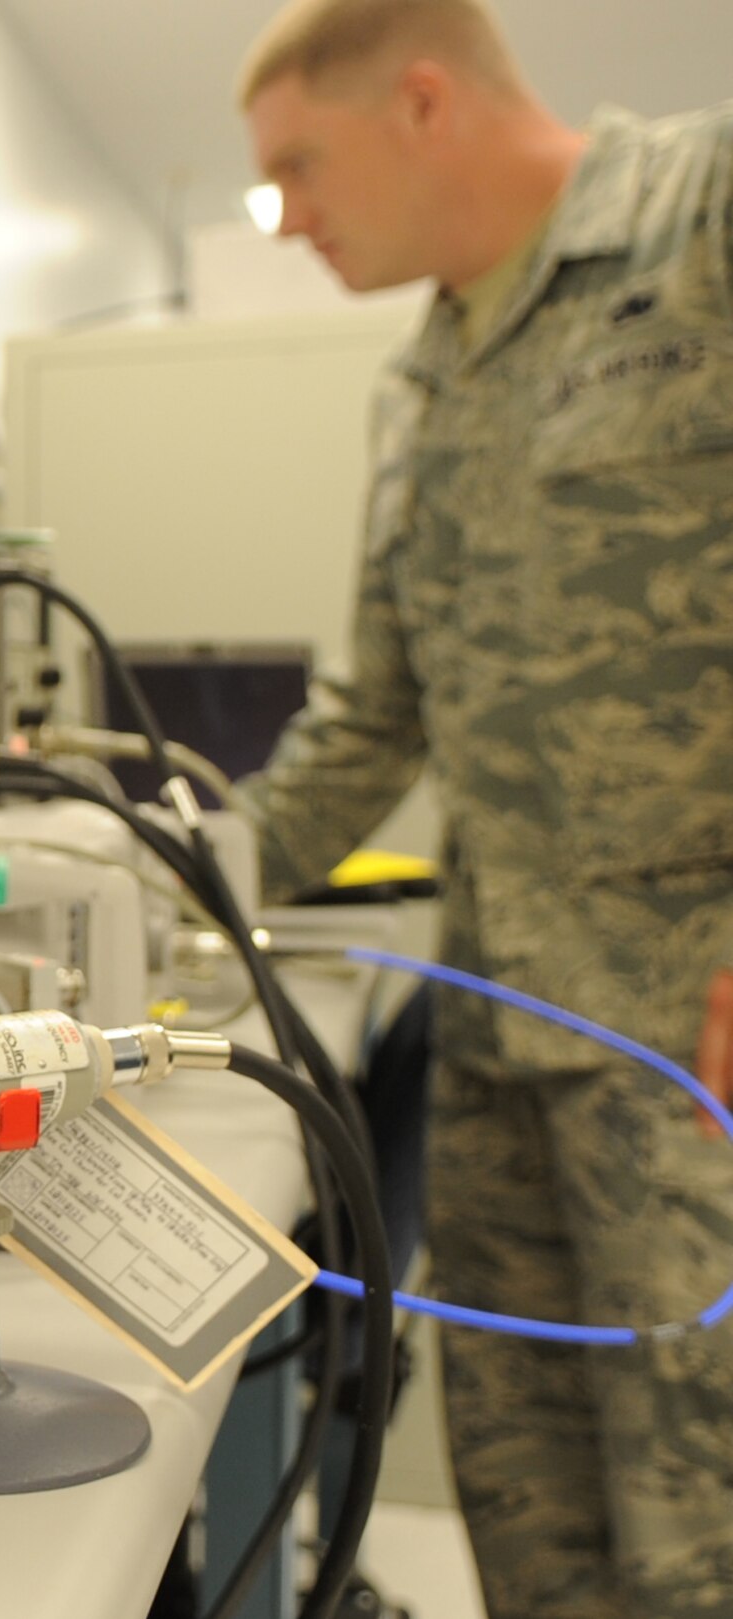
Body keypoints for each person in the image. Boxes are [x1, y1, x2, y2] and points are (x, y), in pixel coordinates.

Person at [234, 1, 733, 1613]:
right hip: (507, 1046)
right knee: (539, 1511)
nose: (289, 215)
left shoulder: (703, 221)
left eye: (301, 166)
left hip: (695, 1040)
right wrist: (156, 873)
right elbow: (375, 721)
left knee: (702, 1528)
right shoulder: (423, 378)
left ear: (425, 101)